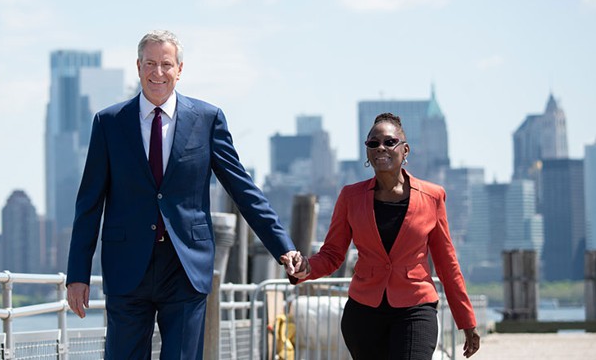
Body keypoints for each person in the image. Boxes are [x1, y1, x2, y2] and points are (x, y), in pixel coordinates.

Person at [66, 30, 303, 359]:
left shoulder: (207, 120)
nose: (157, 73)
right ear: (138, 67)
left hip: (185, 266)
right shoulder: (109, 123)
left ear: (180, 69)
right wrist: (77, 275)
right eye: (150, 63)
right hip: (126, 267)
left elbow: (242, 188)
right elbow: (89, 204)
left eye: (166, 64)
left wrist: (283, 246)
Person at [290, 113, 480, 359]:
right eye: (373, 143)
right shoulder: (350, 197)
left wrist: (466, 319)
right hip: (364, 313)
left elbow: (447, 263)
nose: (381, 147)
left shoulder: (433, 196)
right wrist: (305, 268)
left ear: (405, 149)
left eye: (390, 142)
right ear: (367, 152)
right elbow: (333, 254)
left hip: (415, 307)